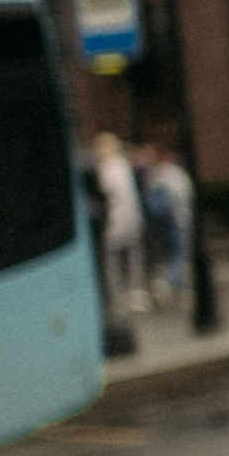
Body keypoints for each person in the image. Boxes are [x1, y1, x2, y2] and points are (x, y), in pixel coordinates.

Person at [91, 131, 144, 320]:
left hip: (114, 220)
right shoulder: (123, 165)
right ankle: (136, 293)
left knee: (112, 260)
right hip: (131, 218)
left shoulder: (105, 169)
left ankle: (117, 298)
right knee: (133, 256)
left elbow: (104, 195)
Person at [148, 147, 195, 310]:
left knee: (173, 255)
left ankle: (183, 291)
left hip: (163, 225)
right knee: (181, 255)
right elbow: (187, 196)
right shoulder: (178, 175)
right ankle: (167, 283)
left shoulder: (158, 175)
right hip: (180, 221)